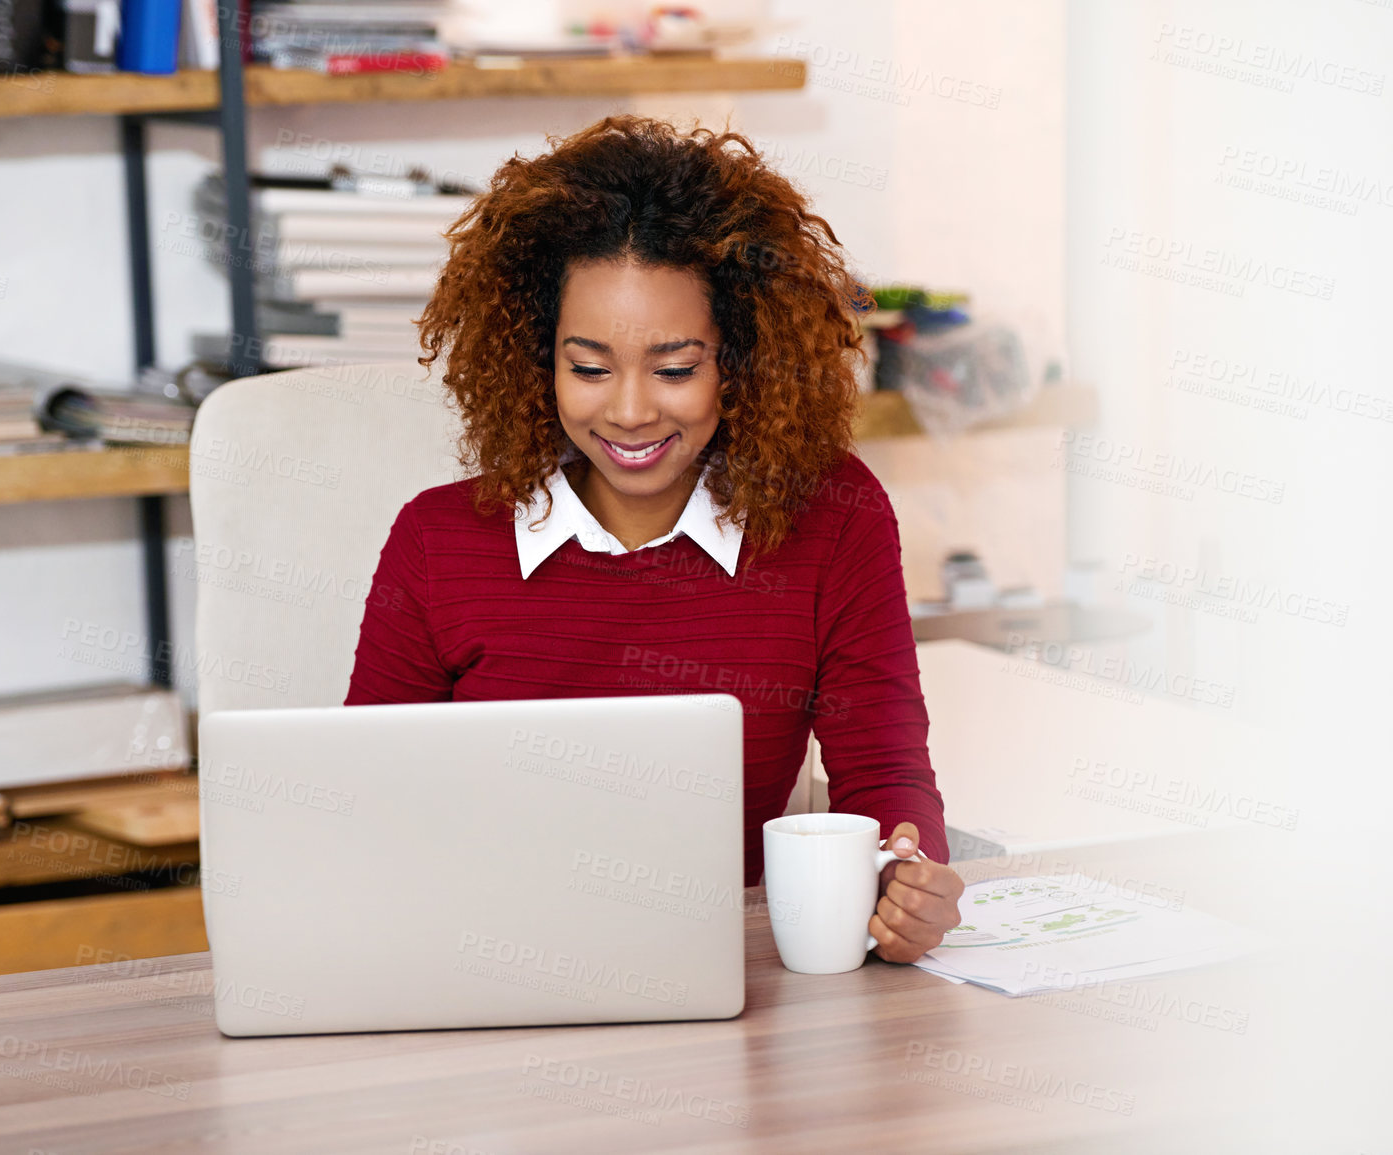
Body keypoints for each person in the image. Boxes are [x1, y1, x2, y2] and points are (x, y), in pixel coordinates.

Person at [345, 115, 964, 963]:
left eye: (675, 368)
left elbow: (884, 768)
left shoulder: (833, 515)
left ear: (739, 359)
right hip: (480, 965)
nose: (631, 411)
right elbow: (364, 806)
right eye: (589, 367)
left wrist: (906, 875)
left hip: (726, 977)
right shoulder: (437, 540)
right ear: (537, 360)